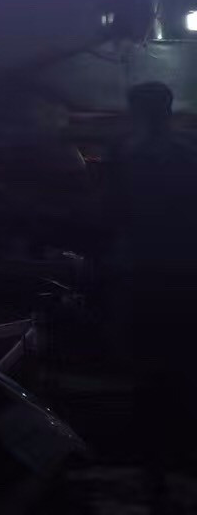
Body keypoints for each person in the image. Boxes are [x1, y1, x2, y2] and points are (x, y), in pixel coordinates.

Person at [108, 81, 197, 507]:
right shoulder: (189, 152)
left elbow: (111, 213)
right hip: (186, 271)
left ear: (135, 111)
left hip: (143, 271)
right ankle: (179, 463)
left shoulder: (129, 155)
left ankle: (154, 472)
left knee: (147, 370)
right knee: (183, 365)